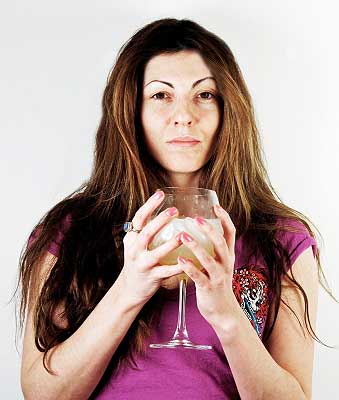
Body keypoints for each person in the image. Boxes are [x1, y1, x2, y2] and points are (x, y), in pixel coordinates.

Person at [16, 18, 331, 399]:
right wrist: (130, 289)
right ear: (131, 112)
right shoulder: (68, 232)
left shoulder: (284, 239)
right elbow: (41, 394)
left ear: (228, 111)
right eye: (161, 95)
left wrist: (226, 311)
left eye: (205, 95)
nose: (184, 114)